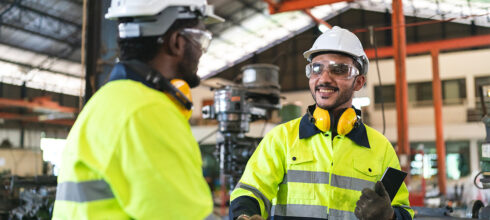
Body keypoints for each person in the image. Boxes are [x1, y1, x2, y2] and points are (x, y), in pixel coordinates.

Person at [52, 0, 223, 219]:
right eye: (200, 39)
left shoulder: (104, 101)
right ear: (177, 42)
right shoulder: (148, 111)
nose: (201, 51)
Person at [229, 26, 414, 220]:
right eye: (316, 68)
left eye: (339, 69)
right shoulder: (281, 138)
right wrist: (245, 216)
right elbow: (249, 192)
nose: (324, 78)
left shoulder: (380, 148)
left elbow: (404, 212)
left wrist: (390, 217)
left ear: (359, 82)